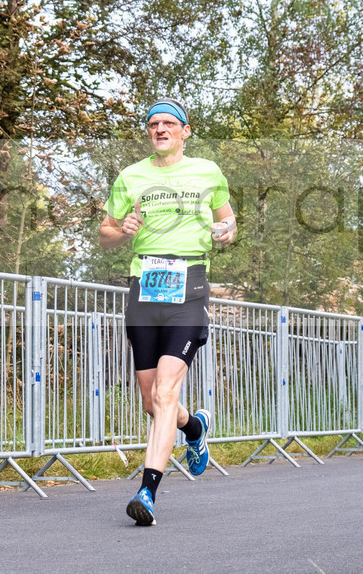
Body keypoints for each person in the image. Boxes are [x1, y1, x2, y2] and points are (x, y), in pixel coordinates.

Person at [99, 98, 236, 526]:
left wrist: (224, 231)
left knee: (164, 394)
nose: (160, 129)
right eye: (153, 124)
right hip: (144, 289)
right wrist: (121, 232)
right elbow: (105, 234)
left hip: (189, 290)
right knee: (151, 401)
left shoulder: (208, 172)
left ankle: (148, 491)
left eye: (168, 123)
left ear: (185, 131)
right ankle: (193, 429)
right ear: (148, 132)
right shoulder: (130, 176)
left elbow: (229, 224)